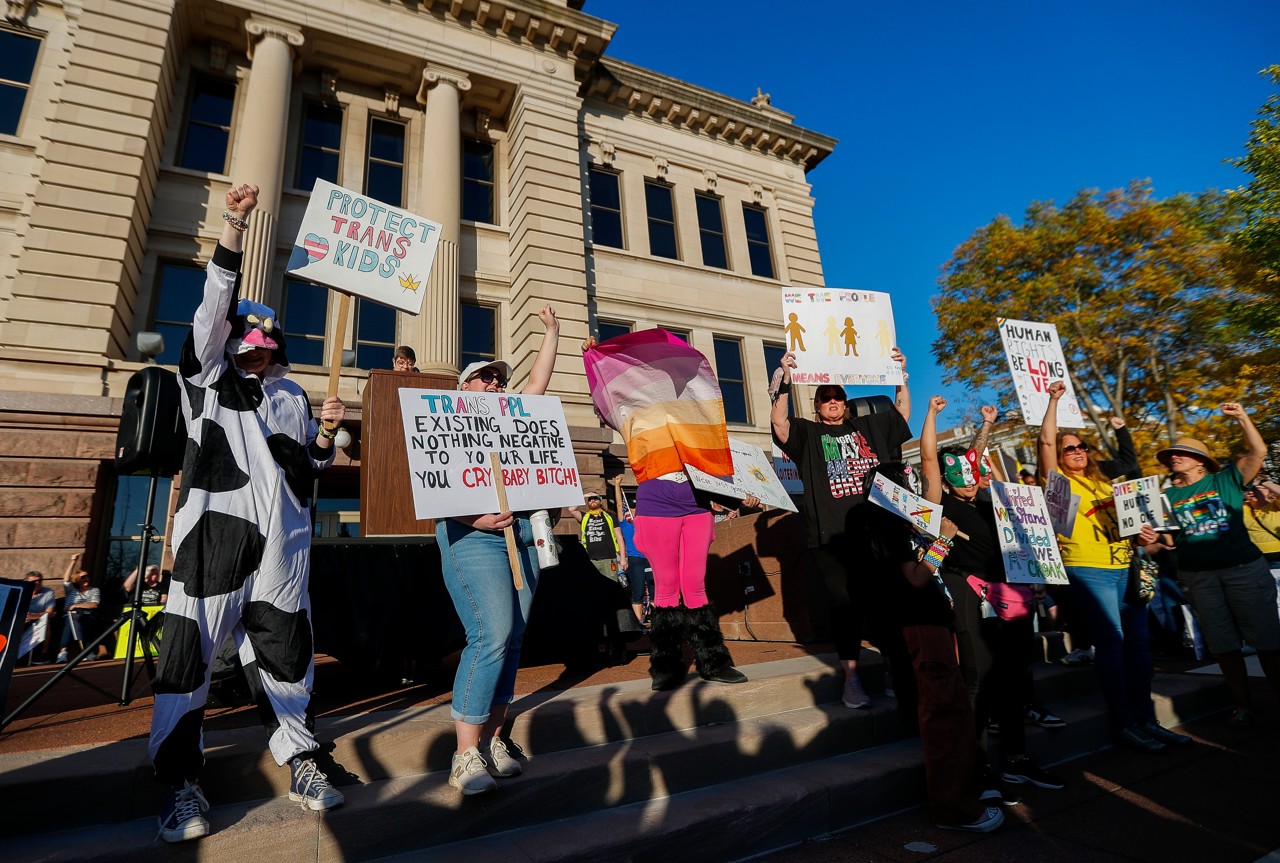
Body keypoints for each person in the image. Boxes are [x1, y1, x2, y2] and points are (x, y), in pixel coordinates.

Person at [148, 183, 348, 843]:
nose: (253, 345)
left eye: (264, 337)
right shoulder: (204, 379)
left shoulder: (292, 392)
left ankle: (304, 758)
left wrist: (324, 439)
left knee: (288, 655)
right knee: (189, 650)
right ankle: (179, 781)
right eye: (244, 334)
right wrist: (233, 229)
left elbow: (305, 468)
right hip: (213, 535)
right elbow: (209, 315)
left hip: (283, 545)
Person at [438, 306, 560, 796]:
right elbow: (435, 488)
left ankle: (492, 739)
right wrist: (475, 518)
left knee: (512, 639)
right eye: (482, 378)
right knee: (491, 633)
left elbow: (539, 382)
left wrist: (552, 332)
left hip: (523, 538)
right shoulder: (443, 421)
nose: (492, 383)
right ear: (463, 390)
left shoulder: (514, 415)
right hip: (473, 538)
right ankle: (464, 752)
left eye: (497, 378)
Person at [921, 396, 1065, 793]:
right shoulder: (939, 502)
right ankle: (976, 765)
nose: (969, 480)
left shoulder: (991, 501)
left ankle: (1016, 758)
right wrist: (931, 415)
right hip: (968, 589)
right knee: (979, 678)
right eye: (961, 476)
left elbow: (975, 456)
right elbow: (932, 459)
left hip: (1010, 591)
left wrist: (987, 425)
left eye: (973, 474)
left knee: (1016, 677)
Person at [851, 463, 1004, 834]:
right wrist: (943, 543)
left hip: (928, 623)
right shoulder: (887, 525)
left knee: (949, 711)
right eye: (909, 483)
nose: (915, 489)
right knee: (945, 715)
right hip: (921, 625)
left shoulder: (890, 524)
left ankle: (961, 793)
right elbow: (916, 578)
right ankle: (955, 809)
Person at [1037, 381, 1187, 751]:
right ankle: (1124, 723)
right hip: (1088, 570)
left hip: (1125, 568)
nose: (1076, 452)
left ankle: (1145, 719)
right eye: (1068, 448)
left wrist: (1143, 536)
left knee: (1138, 645)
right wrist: (1054, 399)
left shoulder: (1107, 486)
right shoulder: (1055, 483)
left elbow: (1130, 529)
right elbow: (1044, 443)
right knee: (1112, 642)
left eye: (1081, 446)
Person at [771, 349, 911, 708]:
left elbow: (903, 414)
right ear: (817, 405)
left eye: (837, 396)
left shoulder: (868, 427)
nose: (832, 401)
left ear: (845, 403)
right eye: (825, 398)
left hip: (875, 536)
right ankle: (852, 679)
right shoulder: (808, 433)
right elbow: (780, 426)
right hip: (830, 539)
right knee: (847, 606)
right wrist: (784, 381)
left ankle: (896, 671)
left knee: (884, 605)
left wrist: (899, 373)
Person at [1141, 405, 1280, 727]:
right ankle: (1243, 707)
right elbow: (1165, 542)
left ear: (1201, 461)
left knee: (1268, 643)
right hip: (1198, 577)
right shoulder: (1166, 495)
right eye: (1171, 455)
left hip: (1243, 569)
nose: (1173, 457)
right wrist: (1147, 536)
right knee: (1224, 647)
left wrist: (1242, 417)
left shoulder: (1227, 478)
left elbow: (1258, 451)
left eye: (1181, 453)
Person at [633, 478, 758, 690]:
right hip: (656, 504)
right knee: (666, 586)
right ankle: (666, 665)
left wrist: (738, 495)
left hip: (697, 505)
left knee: (695, 584)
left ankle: (714, 662)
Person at [56, 553, 100, 663]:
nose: (87, 578)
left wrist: (76, 605)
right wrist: (73, 561)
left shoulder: (94, 590)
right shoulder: (71, 591)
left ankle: (88, 652)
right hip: (71, 615)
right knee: (70, 623)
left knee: (88, 621)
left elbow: (94, 604)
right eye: (83, 577)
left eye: (87, 576)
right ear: (77, 580)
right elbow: (66, 579)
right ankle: (63, 652)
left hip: (87, 614)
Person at [574, 493, 626, 582]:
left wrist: (623, 558)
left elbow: (619, 537)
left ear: (600, 501)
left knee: (611, 586)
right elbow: (571, 509)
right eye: (590, 499)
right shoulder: (584, 516)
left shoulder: (610, 516)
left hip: (608, 559)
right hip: (590, 559)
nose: (592, 500)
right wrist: (584, 495)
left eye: (595, 498)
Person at [619, 506, 654, 628]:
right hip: (635, 559)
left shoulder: (647, 521)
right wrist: (617, 486)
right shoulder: (625, 523)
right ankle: (638, 623)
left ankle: (656, 620)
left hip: (650, 558)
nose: (634, 510)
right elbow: (619, 505)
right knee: (637, 591)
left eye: (636, 507)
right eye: (632, 508)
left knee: (654, 591)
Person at [21, 571, 55, 662]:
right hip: (22, 619)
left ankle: (44, 654)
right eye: (34, 581)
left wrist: (33, 616)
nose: (37, 583)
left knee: (46, 621)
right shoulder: (22, 592)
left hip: (39, 619)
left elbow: (50, 612)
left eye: (39, 581)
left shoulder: (48, 592)